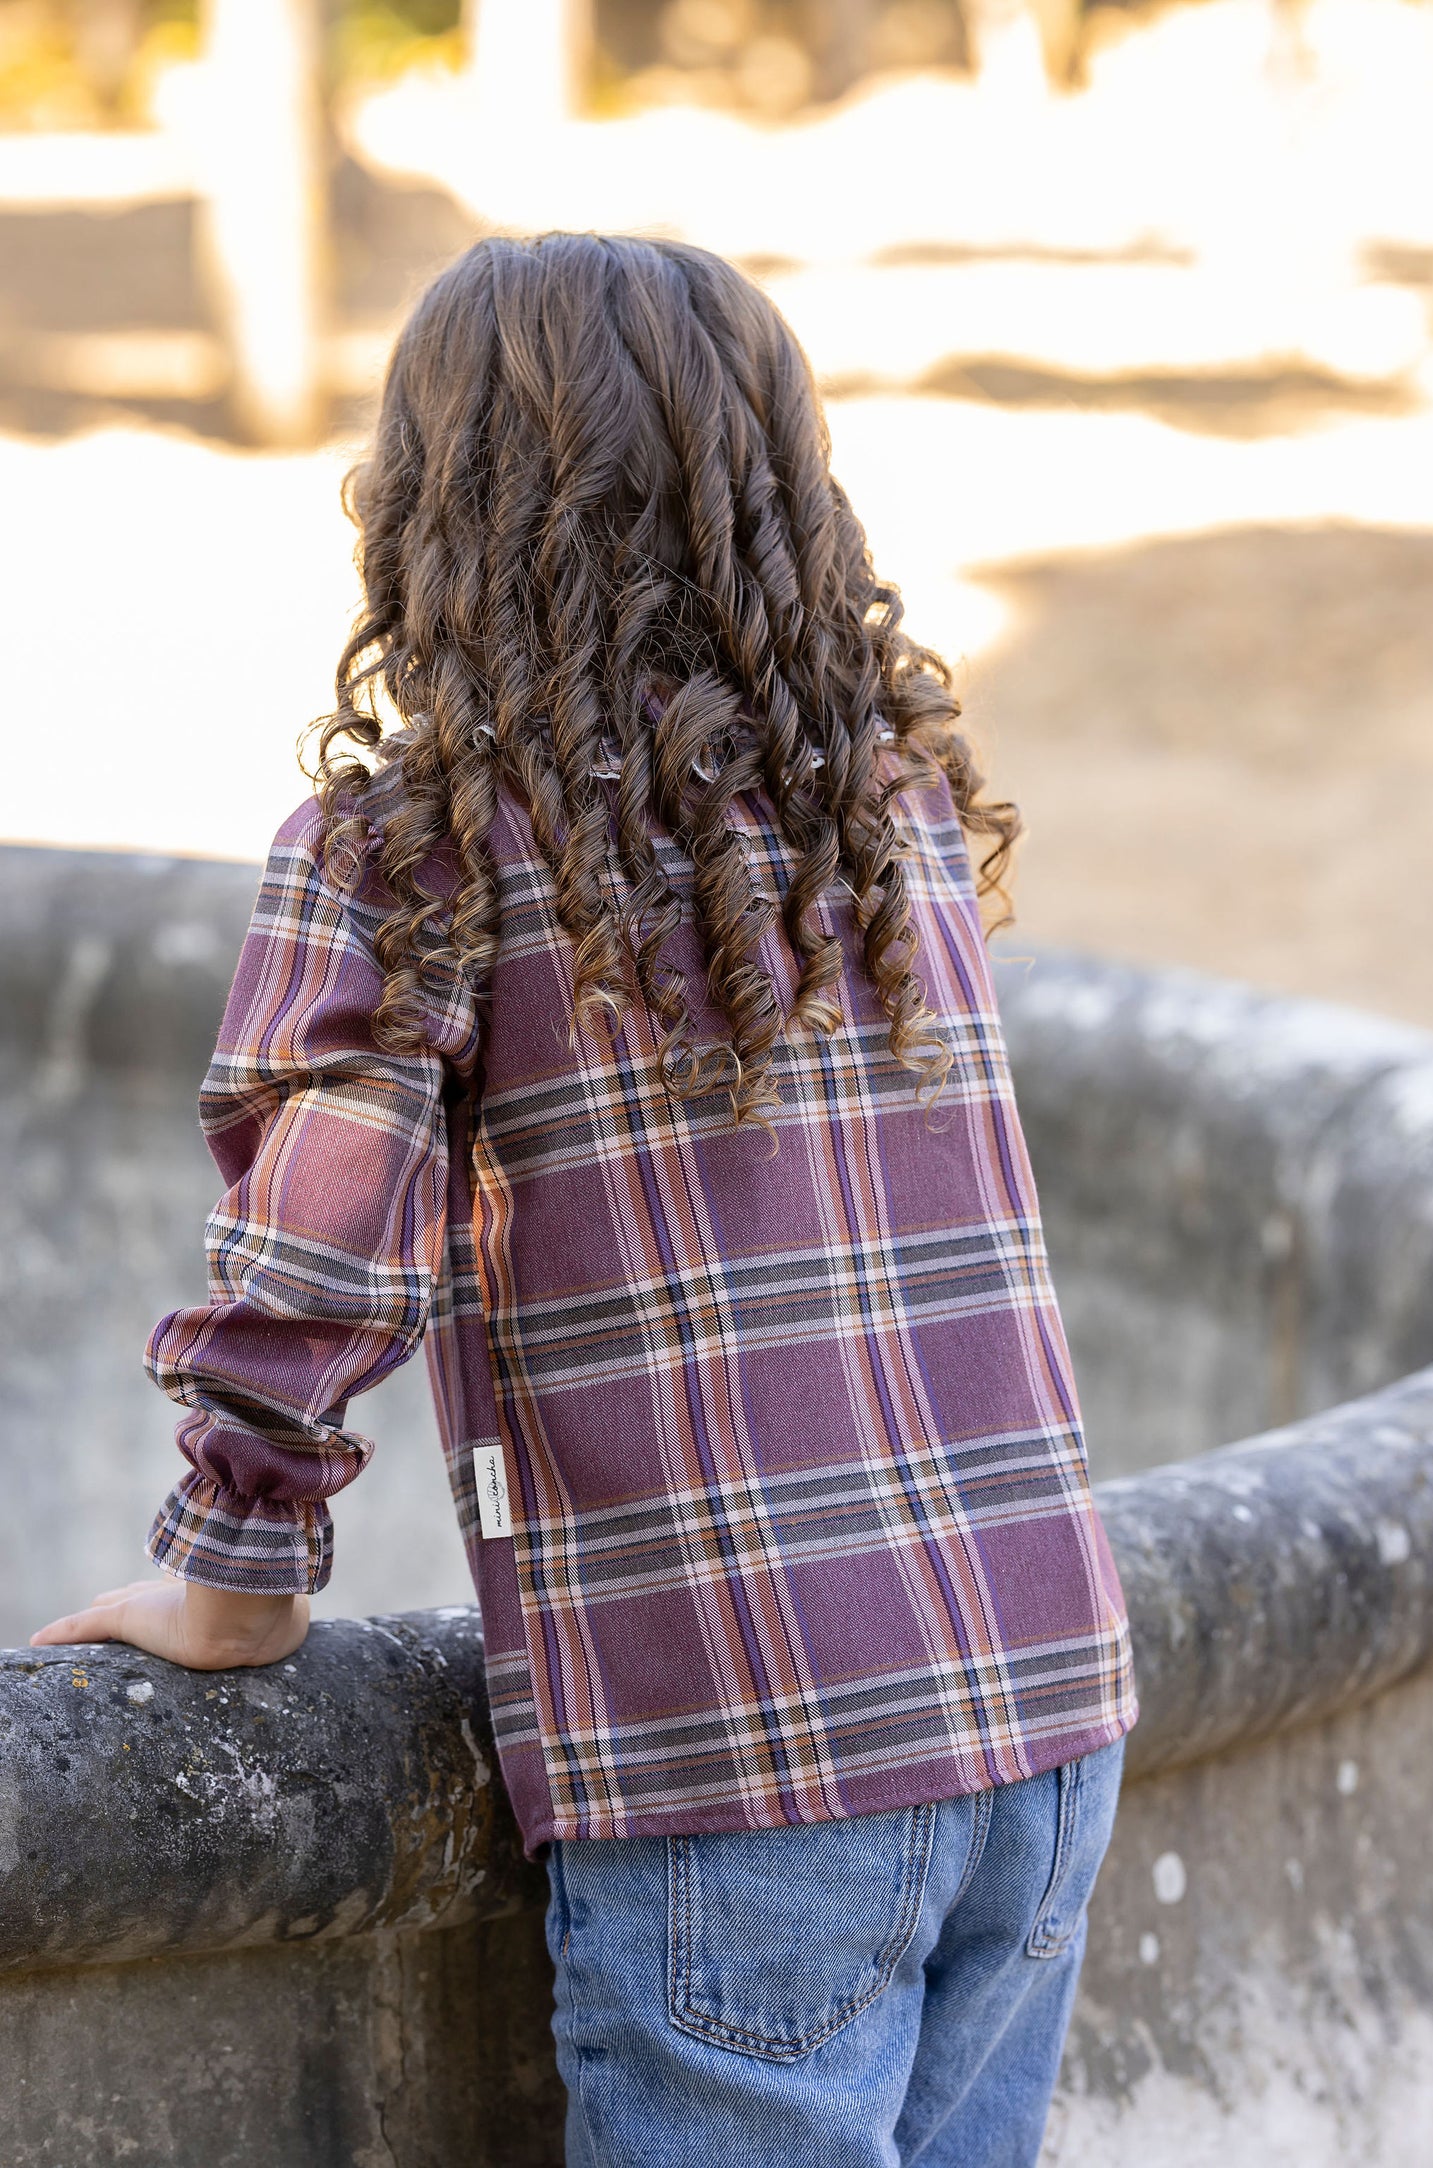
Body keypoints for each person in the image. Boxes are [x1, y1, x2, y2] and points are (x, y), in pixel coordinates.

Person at [34, 233, 1135, 2167]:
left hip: (748, 1747)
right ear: (776, 489)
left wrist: (234, 1577)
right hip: (1044, 1698)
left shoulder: (417, 852)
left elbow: (314, 1258)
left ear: (434, 503)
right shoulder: (889, 809)